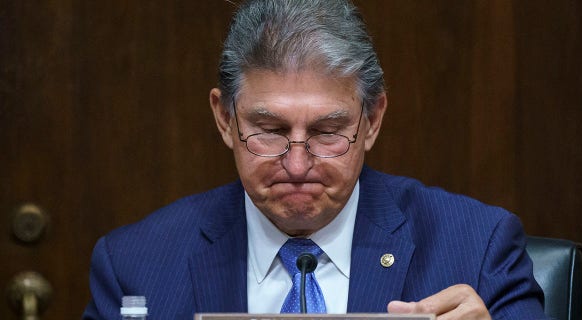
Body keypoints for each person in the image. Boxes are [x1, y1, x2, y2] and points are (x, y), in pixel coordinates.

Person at [83, 1, 548, 319]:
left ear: (372, 121)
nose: (299, 164)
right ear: (225, 119)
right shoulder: (134, 266)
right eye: (270, 131)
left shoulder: (477, 249)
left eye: (327, 133)